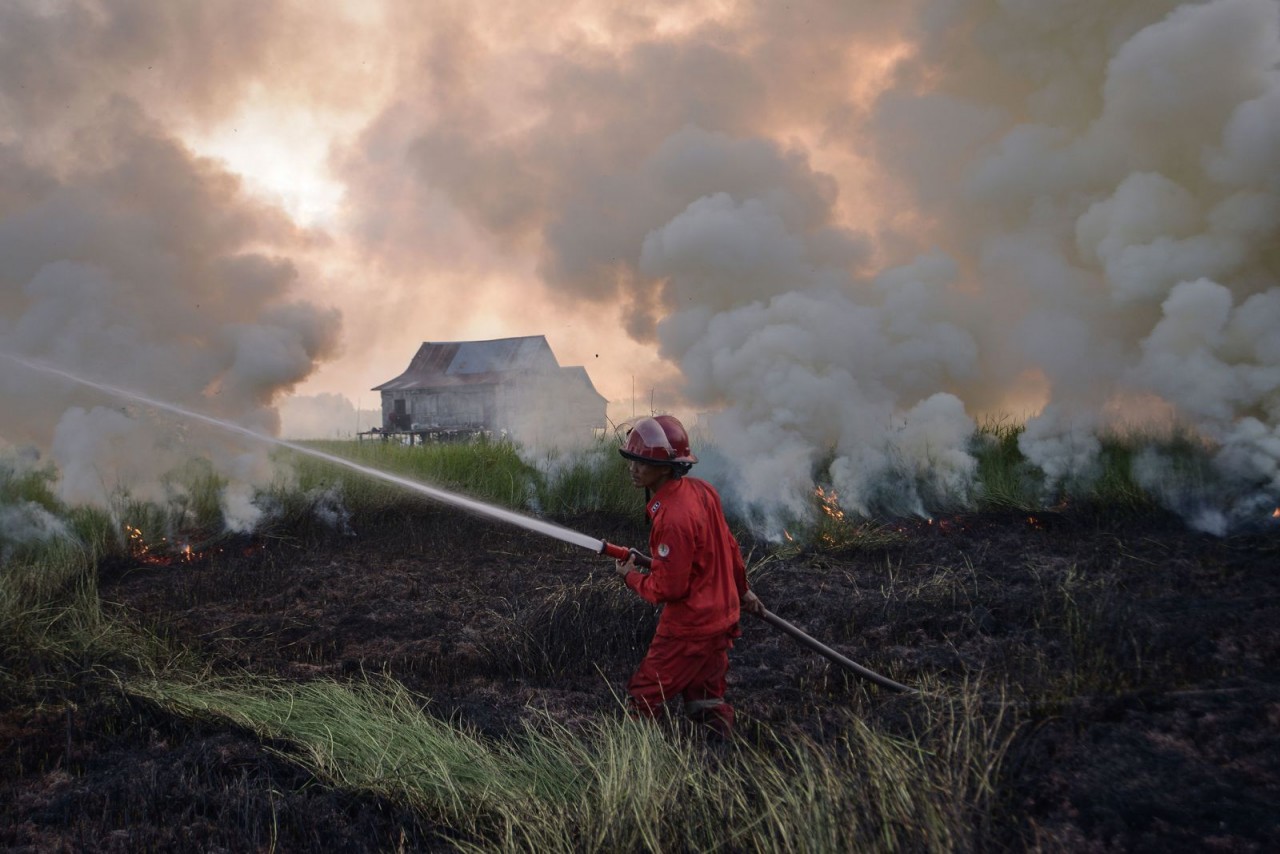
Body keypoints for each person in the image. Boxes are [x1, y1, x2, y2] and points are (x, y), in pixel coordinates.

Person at [614, 414, 765, 738]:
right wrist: (742, 590)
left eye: (642, 462)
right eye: (632, 460)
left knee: (644, 696)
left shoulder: (671, 517)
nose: (634, 468)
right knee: (705, 697)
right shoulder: (703, 491)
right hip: (722, 617)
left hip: (690, 627)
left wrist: (630, 578)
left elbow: (669, 587)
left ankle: (643, 762)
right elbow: (729, 547)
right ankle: (719, 754)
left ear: (668, 467)